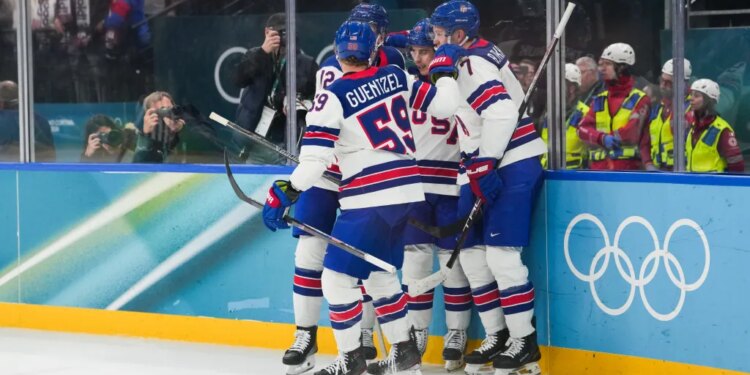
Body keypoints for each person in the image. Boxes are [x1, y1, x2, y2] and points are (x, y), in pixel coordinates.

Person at [262, 20, 461, 375]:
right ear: (373, 52)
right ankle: (404, 353)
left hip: (370, 197)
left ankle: (350, 360)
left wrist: (286, 190)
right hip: (407, 191)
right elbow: (446, 106)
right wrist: (444, 72)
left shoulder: (333, 94)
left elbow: (316, 161)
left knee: (335, 280)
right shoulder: (397, 77)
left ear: (337, 53)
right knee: (379, 274)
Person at [281, 5, 406, 373]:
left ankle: (363, 338)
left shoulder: (396, 65)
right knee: (309, 252)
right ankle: (305, 335)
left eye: (368, 27)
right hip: (327, 173)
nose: (359, 31)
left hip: (366, 179)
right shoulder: (334, 67)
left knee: (367, 261)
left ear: (382, 33)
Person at [430, 1, 546, 374]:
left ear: (459, 34)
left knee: (501, 257)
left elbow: (501, 112)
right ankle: (496, 334)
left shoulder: (470, 64)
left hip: (510, 161)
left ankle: (523, 341)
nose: (435, 38)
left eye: (440, 31)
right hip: (480, 163)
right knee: (473, 257)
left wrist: (485, 162)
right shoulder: (464, 55)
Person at [399, 18, 472, 372]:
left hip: (452, 187)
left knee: (453, 266)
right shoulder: (409, 84)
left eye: (425, 51)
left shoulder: (460, 84)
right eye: (413, 51)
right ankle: (417, 332)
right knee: (414, 264)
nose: (418, 58)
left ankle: (457, 333)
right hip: (416, 187)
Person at [233, 13, 318, 164]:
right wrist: (263, 52)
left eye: (287, 32)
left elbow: (319, 99)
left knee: (285, 184)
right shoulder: (255, 55)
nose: (283, 37)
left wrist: (302, 103)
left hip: (286, 141)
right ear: (267, 32)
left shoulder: (306, 64)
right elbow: (239, 80)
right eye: (279, 32)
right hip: (256, 140)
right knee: (251, 184)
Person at [577, 43, 651, 171]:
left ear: (622, 67)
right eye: (601, 64)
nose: (602, 69)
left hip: (627, 173)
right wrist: (602, 138)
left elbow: (631, 133)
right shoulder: (600, 99)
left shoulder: (640, 99)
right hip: (598, 172)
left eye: (608, 64)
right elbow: (581, 129)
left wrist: (597, 136)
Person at [640, 58, 693, 171]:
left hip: (681, 174)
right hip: (657, 173)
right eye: (662, 80)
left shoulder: (692, 109)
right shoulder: (657, 108)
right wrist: (648, 163)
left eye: (668, 82)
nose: (663, 86)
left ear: (682, 84)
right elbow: (645, 140)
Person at [685, 78, 744, 173]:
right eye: (691, 95)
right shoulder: (693, 126)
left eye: (696, 96)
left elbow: (737, 165)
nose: (691, 98)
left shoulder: (722, 130)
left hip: (713, 185)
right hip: (692, 184)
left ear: (709, 100)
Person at [540, 63, 590, 169]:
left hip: (574, 178)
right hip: (547, 174)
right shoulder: (549, 112)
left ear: (571, 88)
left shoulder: (586, 113)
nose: (553, 89)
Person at [0, 80, 56, 162]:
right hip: (38, 171)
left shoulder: (3, 120)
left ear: (1, 103)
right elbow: (51, 156)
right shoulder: (40, 120)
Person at [132, 91, 184, 163]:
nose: (167, 113)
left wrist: (176, 130)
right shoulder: (138, 138)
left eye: (169, 108)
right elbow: (136, 166)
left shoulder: (177, 130)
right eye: (162, 110)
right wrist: (146, 135)